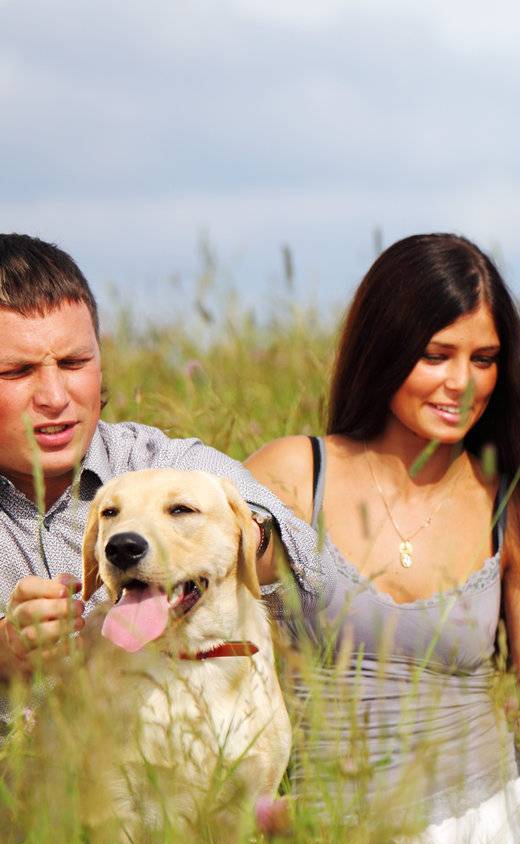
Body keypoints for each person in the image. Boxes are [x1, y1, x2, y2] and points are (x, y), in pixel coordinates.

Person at [246, 233, 520, 844]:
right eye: (436, 355)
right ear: (386, 347)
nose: (462, 383)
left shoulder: (509, 497)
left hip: (479, 831)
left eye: (484, 358)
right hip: (328, 841)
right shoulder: (295, 475)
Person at [0, 234, 299, 689]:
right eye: (17, 372)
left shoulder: (166, 461)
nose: (55, 398)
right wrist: (6, 657)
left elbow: (321, 578)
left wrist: (242, 541)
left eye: (75, 362)